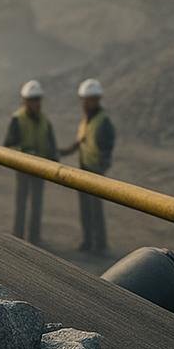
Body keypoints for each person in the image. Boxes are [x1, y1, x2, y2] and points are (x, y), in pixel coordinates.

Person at [62, 77, 115, 255]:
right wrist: (62, 152)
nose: (87, 103)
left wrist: (103, 165)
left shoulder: (103, 121)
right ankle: (88, 241)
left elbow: (108, 145)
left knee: (95, 210)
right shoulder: (86, 121)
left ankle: (99, 244)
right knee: (85, 209)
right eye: (85, 99)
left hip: (95, 171)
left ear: (97, 100)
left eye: (90, 99)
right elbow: (80, 142)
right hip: (84, 169)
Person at [2, 79, 58, 244]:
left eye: (38, 100)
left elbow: (50, 144)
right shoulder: (17, 119)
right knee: (21, 204)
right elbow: (9, 145)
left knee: (37, 206)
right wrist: (25, 154)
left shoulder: (45, 121)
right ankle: (18, 237)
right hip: (24, 169)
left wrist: (53, 164)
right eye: (33, 100)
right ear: (25, 101)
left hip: (40, 170)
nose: (36, 103)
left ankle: (34, 239)